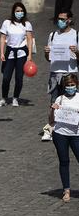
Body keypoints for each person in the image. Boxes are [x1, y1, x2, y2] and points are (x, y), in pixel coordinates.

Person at [43, 11, 79, 141]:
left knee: (71, 102)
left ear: (69, 20)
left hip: (70, 72)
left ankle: (72, 127)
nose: (60, 21)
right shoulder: (53, 35)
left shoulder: (76, 35)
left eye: (63, 19)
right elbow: (48, 58)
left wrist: (77, 51)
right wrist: (46, 52)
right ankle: (51, 129)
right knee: (54, 102)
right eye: (58, 19)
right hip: (55, 73)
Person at [0, 3, 34, 107]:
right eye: (17, 11)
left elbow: (30, 39)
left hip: (22, 54)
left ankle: (15, 98)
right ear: (13, 12)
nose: (19, 13)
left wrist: (29, 55)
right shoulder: (7, 23)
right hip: (10, 53)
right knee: (6, 77)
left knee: (19, 77)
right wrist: (2, 52)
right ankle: (4, 98)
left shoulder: (27, 24)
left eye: (21, 11)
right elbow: (3, 38)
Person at [48, 73, 79, 202]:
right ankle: (66, 190)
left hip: (76, 134)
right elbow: (51, 121)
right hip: (61, 133)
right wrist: (52, 110)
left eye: (72, 85)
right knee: (64, 161)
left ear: (76, 85)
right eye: (68, 85)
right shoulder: (59, 99)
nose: (70, 87)